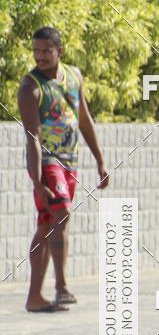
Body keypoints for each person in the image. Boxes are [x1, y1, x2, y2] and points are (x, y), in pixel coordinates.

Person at [18, 26, 109, 312]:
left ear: (60, 51)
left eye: (46, 51)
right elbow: (32, 138)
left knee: (46, 225)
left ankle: (35, 297)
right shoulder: (30, 86)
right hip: (48, 163)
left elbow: (85, 120)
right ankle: (61, 287)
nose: (40, 56)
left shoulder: (74, 77)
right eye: (36, 51)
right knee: (62, 214)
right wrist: (36, 181)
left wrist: (100, 160)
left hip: (71, 162)